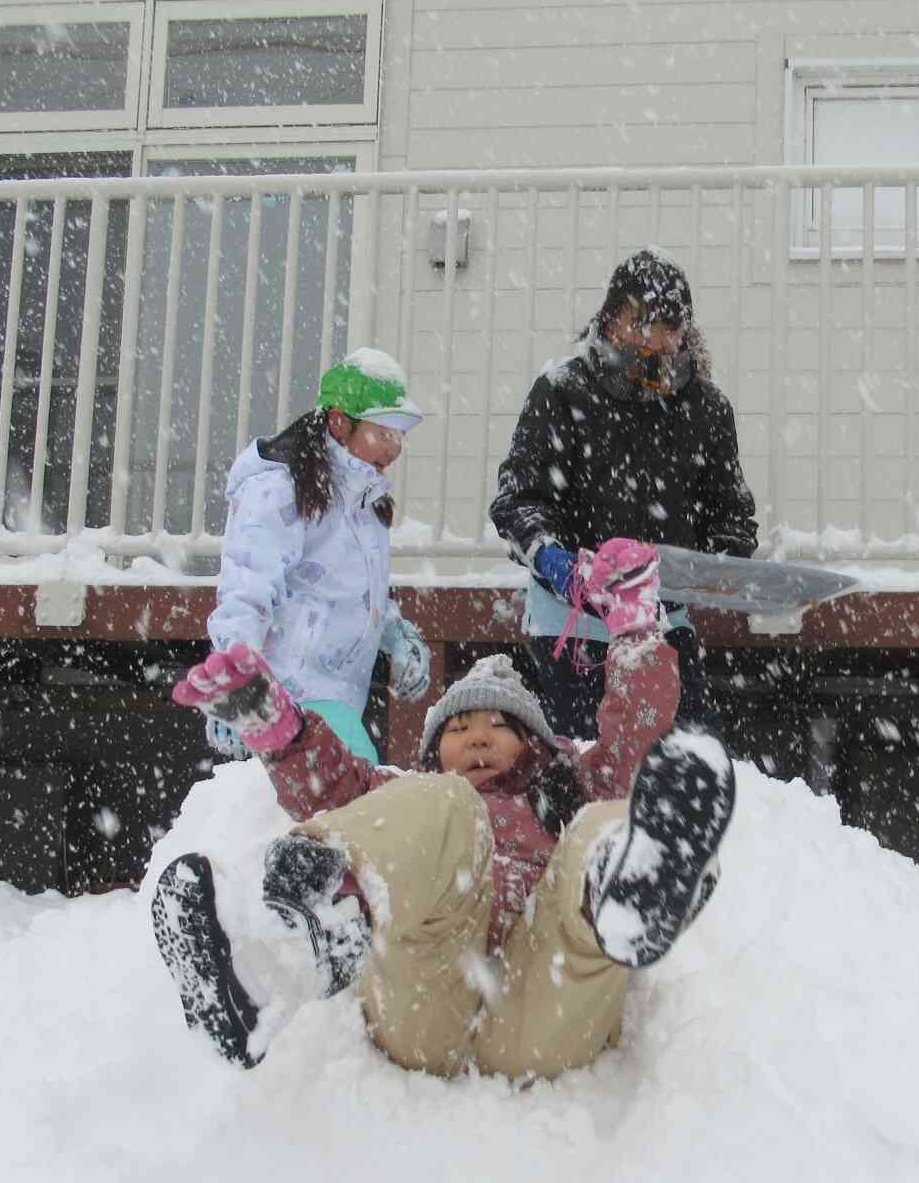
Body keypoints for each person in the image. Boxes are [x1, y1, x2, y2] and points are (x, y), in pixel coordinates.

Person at [152, 540, 737, 1081]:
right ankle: (280, 963)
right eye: (459, 727)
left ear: (535, 744)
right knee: (439, 804)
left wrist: (633, 629)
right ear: (434, 748)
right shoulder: (425, 800)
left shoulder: (568, 789)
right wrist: (273, 726)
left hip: (549, 1002)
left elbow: (637, 740)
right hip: (426, 996)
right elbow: (330, 787)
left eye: (499, 725)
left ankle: (636, 892)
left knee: (603, 825)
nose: (478, 739)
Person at [489, 249, 758, 739]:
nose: (655, 339)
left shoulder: (707, 409)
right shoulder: (562, 392)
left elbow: (734, 517)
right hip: (571, 627)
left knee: (689, 762)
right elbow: (518, 501)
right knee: (586, 768)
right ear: (611, 319)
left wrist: (707, 566)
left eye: (670, 327)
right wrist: (558, 563)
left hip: (663, 624)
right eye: (642, 322)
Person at [204, 348, 433, 764]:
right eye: (383, 432)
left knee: (355, 811)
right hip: (285, 703)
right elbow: (246, 591)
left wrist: (395, 634)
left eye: (400, 434)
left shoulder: (363, 502)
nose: (395, 446)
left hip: (340, 703)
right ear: (338, 423)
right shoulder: (279, 490)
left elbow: (352, 593)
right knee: (357, 811)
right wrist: (234, 680)